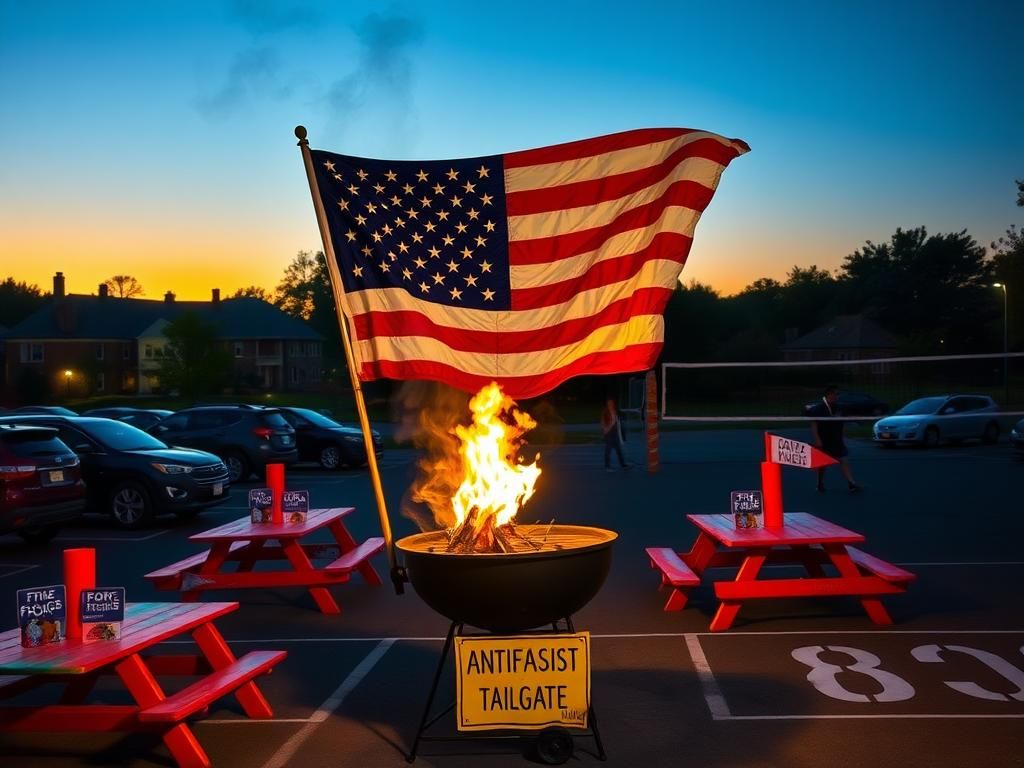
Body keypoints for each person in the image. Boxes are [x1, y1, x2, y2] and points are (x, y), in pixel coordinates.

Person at [808, 384, 862, 494]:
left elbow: (841, 423)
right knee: (822, 464)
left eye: (837, 394)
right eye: (835, 394)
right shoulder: (819, 408)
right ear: (829, 394)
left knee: (843, 460)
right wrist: (817, 439)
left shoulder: (839, 408)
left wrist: (843, 435)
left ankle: (851, 483)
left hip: (836, 441)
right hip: (824, 440)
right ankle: (820, 483)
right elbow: (814, 424)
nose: (837, 396)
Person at [600, 398, 631, 472]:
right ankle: (607, 467)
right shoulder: (605, 412)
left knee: (619, 450)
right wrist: (606, 429)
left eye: (612, 403)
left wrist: (621, 433)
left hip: (615, 433)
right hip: (609, 433)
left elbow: (618, 423)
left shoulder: (615, 411)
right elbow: (602, 423)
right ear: (607, 404)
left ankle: (623, 465)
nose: (611, 405)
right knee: (608, 450)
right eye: (609, 403)